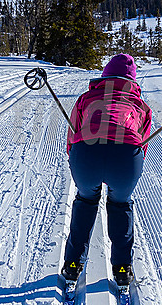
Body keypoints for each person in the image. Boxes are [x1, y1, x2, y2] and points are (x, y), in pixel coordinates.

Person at [61, 53, 152, 287]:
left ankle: (72, 265)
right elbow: (144, 142)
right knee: (120, 204)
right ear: (132, 81)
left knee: (86, 201)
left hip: (86, 155)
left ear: (105, 76)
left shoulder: (86, 98)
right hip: (125, 158)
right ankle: (122, 268)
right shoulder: (140, 106)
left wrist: (77, 161)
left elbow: (72, 135)